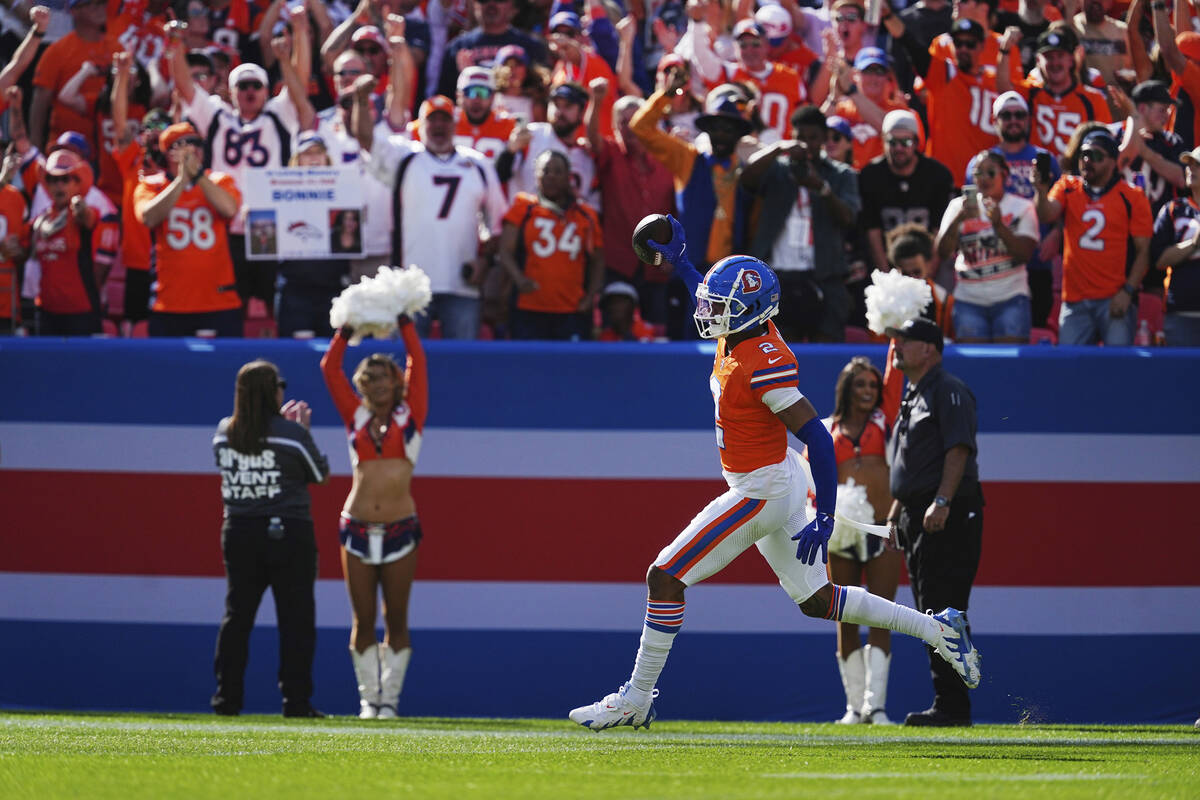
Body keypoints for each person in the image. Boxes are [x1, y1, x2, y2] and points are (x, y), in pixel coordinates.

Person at [567, 216, 981, 732]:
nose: (709, 313)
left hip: (760, 488)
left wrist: (825, 517)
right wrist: (682, 266)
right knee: (816, 600)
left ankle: (637, 696)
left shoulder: (761, 362)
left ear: (748, 314)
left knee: (664, 576)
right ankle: (939, 630)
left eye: (722, 308)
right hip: (775, 477)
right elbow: (710, 297)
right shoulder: (741, 328)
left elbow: (819, 440)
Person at [320, 314, 427, 719]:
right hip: (356, 527)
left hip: (402, 528)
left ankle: (390, 702)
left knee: (396, 618)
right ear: (362, 385)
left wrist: (405, 321)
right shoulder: (356, 416)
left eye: (386, 378)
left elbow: (418, 358)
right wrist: (345, 331)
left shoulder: (412, 413)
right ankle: (369, 700)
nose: (379, 384)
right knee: (362, 619)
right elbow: (330, 369)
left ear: (396, 381)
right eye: (371, 379)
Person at [211, 360, 330, 718]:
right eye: (279, 384)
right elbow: (319, 474)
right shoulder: (290, 433)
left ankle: (226, 700)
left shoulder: (224, 431)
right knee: (296, 619)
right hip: (287, 532)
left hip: (238, 532)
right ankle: (296, 702)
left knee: (237, 617)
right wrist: (303, 430)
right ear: (271, 391)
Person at [884, 316, 983, 727]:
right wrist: (895, 514)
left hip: (946, 511)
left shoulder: (947, 389)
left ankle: (953, 705)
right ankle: (949, 702)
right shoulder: (913, 393)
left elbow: (958, 450)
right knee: (929, 611)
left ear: (929, 348)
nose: (896, 347)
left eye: (905, 341)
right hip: (918, 511)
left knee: (943, 608)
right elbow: (910, 466)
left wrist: (941, 501)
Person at [355, 85, 508, 340]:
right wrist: (361, 100)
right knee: (407, 364)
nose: (438, 126)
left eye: (444, 119)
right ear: (420, 124)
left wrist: (486, 261)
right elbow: (364, 137)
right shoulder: (404, 158)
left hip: (463, 283)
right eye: (432, 119)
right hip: (409, 284)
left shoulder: (477, 164)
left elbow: (498, 223)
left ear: (455, 123)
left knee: (461, 365)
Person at [826, 353, 904, 724]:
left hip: (882, 532)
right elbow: (813, 487)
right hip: (843, 534)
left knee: (882, 616)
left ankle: (877, 706)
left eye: (874, 385)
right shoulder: (827, 431)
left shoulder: (886, 423)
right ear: (846, 388)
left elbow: (895, 374)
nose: (868, 391)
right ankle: (854, 708)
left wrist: (894, 334)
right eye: (861, 384)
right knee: (845, 617)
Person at [742, 105, 862, 342]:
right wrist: (778, 148)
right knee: (777, 349)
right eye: (800, 137)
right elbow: (746, 179)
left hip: (824, 278)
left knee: (825, 352)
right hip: (777, 278)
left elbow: (849, 218)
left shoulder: (841, 174)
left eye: (813, 138)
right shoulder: (777, 169)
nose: (806, 144)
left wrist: (821, 188)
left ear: (824, 139)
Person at [1035, 129, 1152, 345]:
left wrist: (1127, 292)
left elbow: (1144, 251)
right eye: (1084, 155)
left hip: (1115, 297)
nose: (1088, 161)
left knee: (1117, 368)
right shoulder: (1068, 187)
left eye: (1096, 156)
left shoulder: (1132, 196)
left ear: (1112, 161)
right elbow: (1046, 214)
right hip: (1075, 299)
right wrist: (1041, 192)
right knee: (1069, 369)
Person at [134, 122, 243, 337]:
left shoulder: (219, 180)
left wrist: (198, 177)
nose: (191, 150)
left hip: (218, 301)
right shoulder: (151, 185)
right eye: (182, 144)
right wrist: (181, 180)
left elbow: (229, 208)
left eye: (195, 143)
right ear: (167, 153)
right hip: (170, 302)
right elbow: (148, 217)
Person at [965, 91, 1063, 329]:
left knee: (1037, 330)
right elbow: (971, 211)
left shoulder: (1045, 159)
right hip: (995, 264)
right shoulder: (980, 163)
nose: (1013, 120)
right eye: (1005, 115)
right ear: (994, 120)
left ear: (1028, 120)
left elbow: (1064, 206)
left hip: (1038, 262)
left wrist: (1057, 234)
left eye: (1019, 115)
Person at [585, 79, 675, 329]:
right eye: (624, 122)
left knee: (657, 330)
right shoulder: (612, 154)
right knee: (613, 329)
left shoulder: (666, 158)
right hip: (619, 261)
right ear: (615, 127)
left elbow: (678, 211)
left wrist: (674, 253)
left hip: (658, 264)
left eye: (636, 121)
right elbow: (593, 138)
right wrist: (596, 101)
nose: (631, 128)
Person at [499, 149, 604, 340]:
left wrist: (590, 298)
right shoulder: (523, 207)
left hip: (572, 308)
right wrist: (518, 278)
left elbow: (598, 261)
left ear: (568, 176)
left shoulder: (586, 215)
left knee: (570, 367)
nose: (551, 176)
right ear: (536, 175)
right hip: (529, 306)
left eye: (558, 171)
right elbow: (505, 251)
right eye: (546, 171)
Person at [936, 150, 1039, 343]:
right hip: (969, 300)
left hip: (1011, 298)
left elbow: (1025, 255)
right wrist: (959, 219)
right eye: (978, 173)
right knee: (974, 368)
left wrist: (999, 225)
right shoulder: (958, 207)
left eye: (990, 172)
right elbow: (942, 252)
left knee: (1010, 366)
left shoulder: (1022, 207)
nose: (984, 178)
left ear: (1005, 176)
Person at [30, 149, 116, 335]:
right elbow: (22, 250)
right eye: (53, 180)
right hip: (47, 313)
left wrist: (81, 208)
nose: (58, 186)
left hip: (81, 314)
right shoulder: (40, 220)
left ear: (77, 183)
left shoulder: (83, 214)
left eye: (65, 179)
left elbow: (88, 217)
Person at [859, 109, 955, 272]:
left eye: (906, 142)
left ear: (917, 143)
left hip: (930, 262)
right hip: (888, 262)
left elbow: (940, 230)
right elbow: (872, 230)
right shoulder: (871, 175)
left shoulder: (937, 175)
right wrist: (887, 277)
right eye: (892, 142)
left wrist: (926, 274)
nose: (898, 148)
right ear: (883, 142)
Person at [1149, 146, 1200, 346]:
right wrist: (1193, 244)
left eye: (1197, 165)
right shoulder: (1174, 210)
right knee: (1182, 376)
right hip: (1181, 314)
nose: (1190, 169)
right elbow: (1159, 260)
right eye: (1189, 164)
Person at [888, 223, 956, 336]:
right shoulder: (885, 301)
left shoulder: (945, 301)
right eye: (905, 274)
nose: (911, 279)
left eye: (916, 272)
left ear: (929, 265)